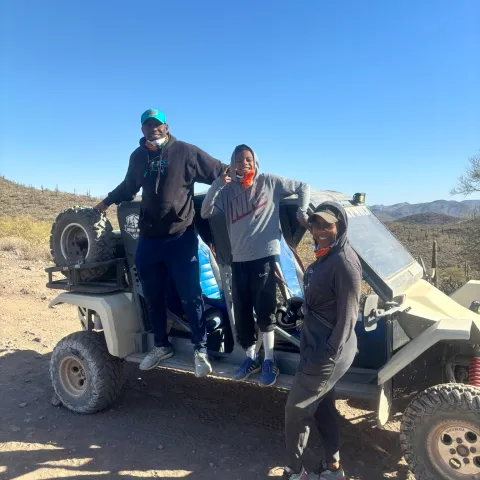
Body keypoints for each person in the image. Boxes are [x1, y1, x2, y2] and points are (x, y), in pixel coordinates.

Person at [95, 108, 226, 377]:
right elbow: (128, 187)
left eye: (158, 124)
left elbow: (219, 171)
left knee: (191, 295)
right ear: (142, 129)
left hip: (181, 236)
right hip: (149, 240)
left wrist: (245, 182)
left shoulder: (186, 152)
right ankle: (161, 345)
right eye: (148, 124)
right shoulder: (138, 156)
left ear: (166, 126)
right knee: (153, 296)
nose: (153, 128)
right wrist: (106, 202)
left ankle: (200, 349)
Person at [201, 144, 310, 386]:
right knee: (242, 312)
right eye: (238, 160)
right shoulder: (227, 191)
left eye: (248, 159)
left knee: (265, 309)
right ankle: (252, 358)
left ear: (255, 161)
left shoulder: (269, 182)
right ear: (232, 163)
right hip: (238, 260)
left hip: (263, 257)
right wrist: (218, 183)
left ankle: (269, 359)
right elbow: (206, 211)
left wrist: (302, 211)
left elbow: (303, 186)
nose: (244, 163)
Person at [283, 202, 361, 480]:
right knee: (323, 406)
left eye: (327, 224)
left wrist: (329, 353)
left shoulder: (344, 262)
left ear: (339, 226)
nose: (320, 230)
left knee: (296, 410)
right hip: (316, 343)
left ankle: (295, 471)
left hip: (326, 350)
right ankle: (332, 468)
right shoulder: (327, 255)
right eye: (315, 225)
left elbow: (349, 315)